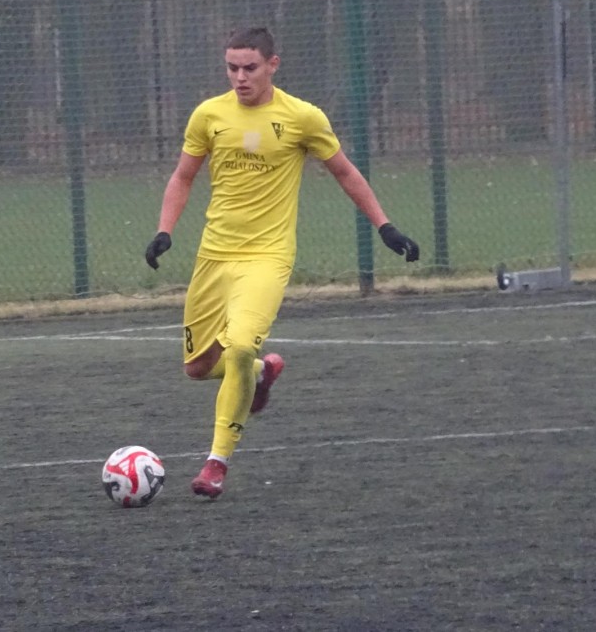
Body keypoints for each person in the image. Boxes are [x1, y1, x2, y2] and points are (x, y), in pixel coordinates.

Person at [144, 27, 419, 500]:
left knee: (238, 348)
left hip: (267, 258)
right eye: (232, 67)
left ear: (273, 64)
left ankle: (216, 463)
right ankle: (259, 374)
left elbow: (345, 172)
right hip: (215, 256)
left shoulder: (302, 117)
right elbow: (183, 176)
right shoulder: (208, 115)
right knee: (198, 367)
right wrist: (164, 230)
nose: (240, 77)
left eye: (250, 67)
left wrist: (385, 226)